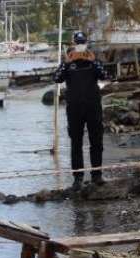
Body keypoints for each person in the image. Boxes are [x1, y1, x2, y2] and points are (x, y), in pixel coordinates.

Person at [52, 31, 109, 189]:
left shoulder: (93, 60)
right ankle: (78, 178)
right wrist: (65, 63)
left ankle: (97, 175)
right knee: (76, 143)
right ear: (73, 43)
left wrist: (94, 60)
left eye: (82, 42)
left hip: (93, 106)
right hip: (74, 108)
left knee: (96, 141)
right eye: (77, 42)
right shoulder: (69, 63)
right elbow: (56, 78)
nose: (80, 45)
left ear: (87, 42)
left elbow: (105, 75)